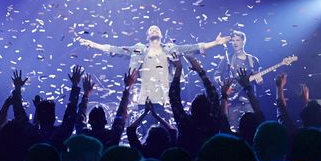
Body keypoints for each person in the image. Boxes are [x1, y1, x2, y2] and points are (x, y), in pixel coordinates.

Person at [76, 25, 229, 108]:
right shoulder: (139, 49)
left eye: (157, 29)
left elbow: (193, 47)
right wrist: (94, 44)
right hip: (145, 95)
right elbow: (115, 49)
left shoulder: (170, 48)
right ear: (147, 36)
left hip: (166, 95)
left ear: (161, 36)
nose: (154, 30)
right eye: (151, 30)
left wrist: (215, 43)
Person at [214, 31, 261, 128]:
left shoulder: (253, 60)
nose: (235, 43)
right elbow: (216, 75)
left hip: (249, 101)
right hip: (232, 102)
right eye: (233, 41)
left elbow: (259, 83)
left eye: (238, 40)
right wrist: (223, 85)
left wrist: (259, 81)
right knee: (232, 128)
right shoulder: (227, 58)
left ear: (243, 42)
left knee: (252, 128)